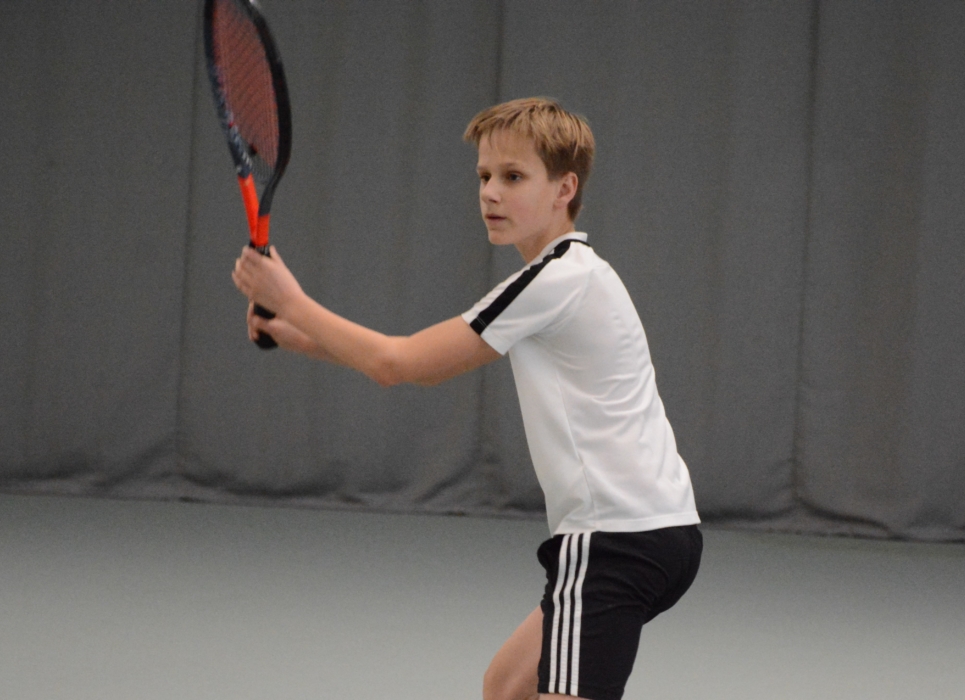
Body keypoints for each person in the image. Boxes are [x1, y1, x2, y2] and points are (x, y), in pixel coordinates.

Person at [232, 97, 701, 700]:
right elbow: (405, 360)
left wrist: (292, 301)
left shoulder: (554, 281)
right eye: (484, 176)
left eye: (514, 177)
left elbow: (398, 364)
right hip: (659, 530)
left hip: (615, 539)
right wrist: (295, 334)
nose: (491, 193)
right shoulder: (573, 274)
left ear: (564, 189)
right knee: (506, 687)